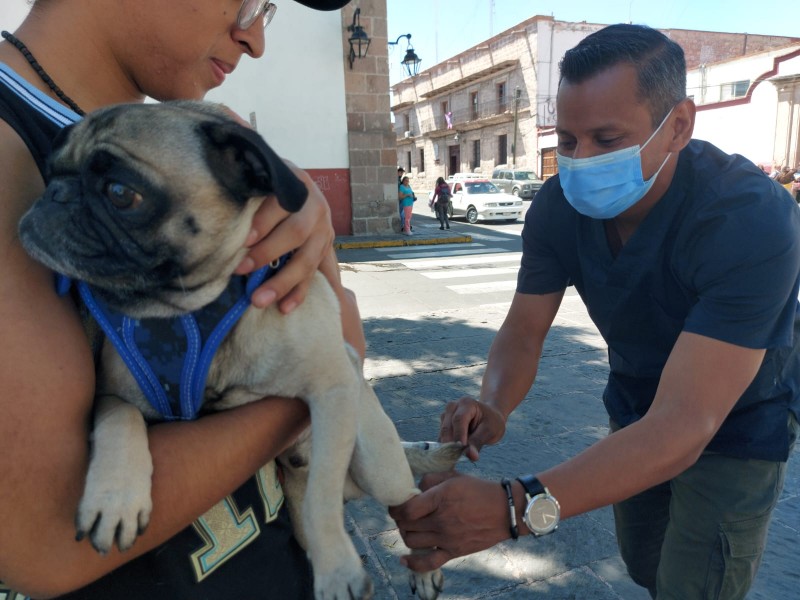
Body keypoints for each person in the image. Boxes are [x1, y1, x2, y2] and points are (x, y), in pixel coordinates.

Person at [389, 24, 800, 600]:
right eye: (568, 140)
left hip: (736, 427)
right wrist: (494, 402)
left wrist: (515, 506)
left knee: (696, 585)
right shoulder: (558, 209)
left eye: (607, 139)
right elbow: (524, 330)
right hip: (633, 410)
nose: (581, 161)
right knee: (645, 564)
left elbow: (685, 422)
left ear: (678, 125)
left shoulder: (749, 217)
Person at [0, 0, 366, 598]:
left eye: (266, 10)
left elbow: (338, 337)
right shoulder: (9, 147)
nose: (254, 39)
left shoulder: (185, 140)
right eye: (247, 0)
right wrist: (322, 387)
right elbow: (43, 544)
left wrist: (316, 250)